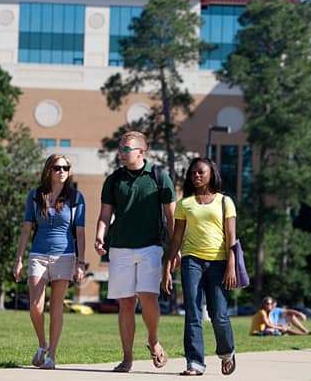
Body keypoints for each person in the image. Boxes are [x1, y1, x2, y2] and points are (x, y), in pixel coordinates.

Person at [95, 131, 175, 373]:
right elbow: (105, 215)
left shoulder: (160, 177)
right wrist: (100, 235)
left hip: (151, 246)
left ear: (141, 151)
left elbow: (172, 218)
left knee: (148, 297)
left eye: (126, 148)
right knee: (126, 303)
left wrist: (175, 249)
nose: (121, 151)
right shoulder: (113, 179)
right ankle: (127, 358)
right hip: (119, 248)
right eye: (120, 147)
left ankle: (153, 339)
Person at [163, 157, 236, 376]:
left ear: (211, 174)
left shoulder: (225, 201)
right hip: (191, 261)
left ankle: (226, 352)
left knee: (219, 314)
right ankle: (194, 362)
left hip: (218, 262)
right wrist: (167, 267)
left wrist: (231, 264)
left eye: (201, 172)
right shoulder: (185, 204)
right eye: (193, 173)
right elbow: (176, 239)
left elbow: (231, 236)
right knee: (193, 313)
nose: (196, 176)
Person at [13, 154, 86, 370]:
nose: (62, 171)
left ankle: (51, 356)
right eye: (57, 167)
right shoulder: (35, 196)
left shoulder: (76, 197)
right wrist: (19, 259)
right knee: (35, 306)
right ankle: (42, 343)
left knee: (56, 307)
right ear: (49, 170)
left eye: (66, 167)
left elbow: (80, 232)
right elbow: (27, 229)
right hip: (38, 253)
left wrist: (80, 262)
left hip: (65, 255)